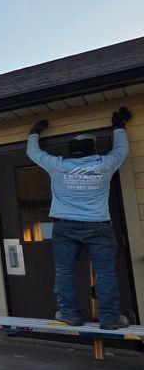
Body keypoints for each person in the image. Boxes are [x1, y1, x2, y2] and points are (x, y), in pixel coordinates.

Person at [26, 107, 132, 330]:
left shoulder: (58, 165)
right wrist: (119, 126)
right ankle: (110, 319)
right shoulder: (105, 164)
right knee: (105, 272)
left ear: (71, 152)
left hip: (65, 226)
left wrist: (34, 132)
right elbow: (121, 149)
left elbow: (33, 153)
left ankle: (70, 315)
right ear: (92, 149)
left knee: (64, 270)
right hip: (98, 225)